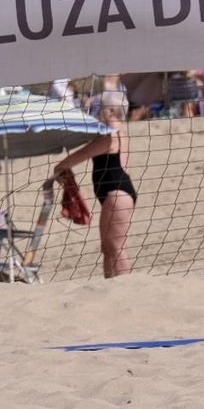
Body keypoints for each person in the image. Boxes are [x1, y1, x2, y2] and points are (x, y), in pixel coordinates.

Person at [53, 91, 136, 278]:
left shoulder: (111, 136)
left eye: (100, 109)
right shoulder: (117, 133)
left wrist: (60, 166)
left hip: (117, 194)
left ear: (112, 111)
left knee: (116, 247)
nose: (97, 112)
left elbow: (82, 154)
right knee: (107, 247)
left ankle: (127, 287)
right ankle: (110, 284)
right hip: (116, 193)